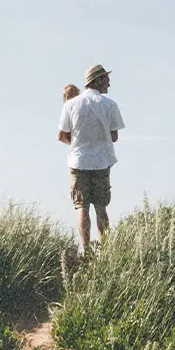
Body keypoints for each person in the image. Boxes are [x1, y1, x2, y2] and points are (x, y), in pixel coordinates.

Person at [57, 64, 124, 254]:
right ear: (98, 80)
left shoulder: (70, 104)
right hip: (102, 162)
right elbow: (114, 137)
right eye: (106, 80)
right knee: (101, 208)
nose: (109, 84)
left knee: (82, 208)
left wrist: (78, 143)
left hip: (78, 162)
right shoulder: (110, 105)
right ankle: (106, 251)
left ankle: (86, 250)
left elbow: (61, 135)